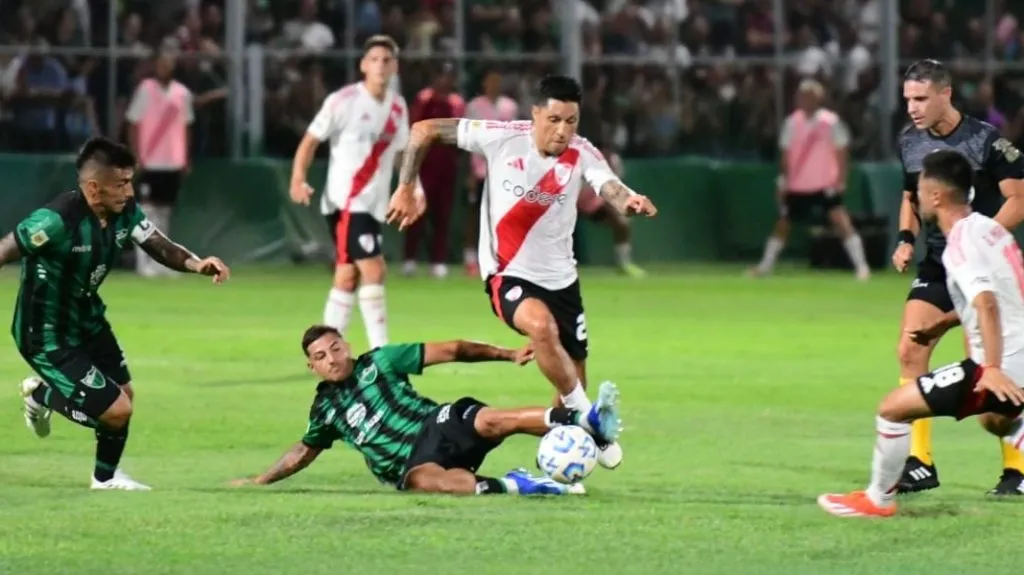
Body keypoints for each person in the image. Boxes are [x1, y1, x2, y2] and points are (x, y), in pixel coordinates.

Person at [385, 75, 658, 471]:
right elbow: (423, 129)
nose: (562, 130)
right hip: (508, 274)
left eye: (571, 121)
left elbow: (609, 186)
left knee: (570, 378)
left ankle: (564, 468)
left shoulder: (582, 152)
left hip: (563, 282)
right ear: (535, 114)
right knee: (541, 328)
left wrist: (629, 200)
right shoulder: (500, 137)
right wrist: (406, 187)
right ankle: (590, 419)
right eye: (554, 120)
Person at [0, 137, 230, 490]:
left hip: (88, 319)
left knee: (124, 396)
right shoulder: (57, 219)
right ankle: (41, 396)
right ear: (94, 187)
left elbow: (158, 245)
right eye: (121, 183)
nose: (129, 191)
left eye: (130, 181)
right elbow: (4, 250)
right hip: (46, 333)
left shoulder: (125, 211)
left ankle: (104, 478)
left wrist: (196, 264)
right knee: (116, 410)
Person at [818, 149, 1024, 518]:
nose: (916, 198)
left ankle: (878, 500)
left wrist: (991, 368)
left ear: (936, 196)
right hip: (1019, 354)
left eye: (920, 190)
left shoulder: (959, 244)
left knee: (892, 410)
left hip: (1001, 363)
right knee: (997, 420)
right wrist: (943, 323)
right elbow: (1004, 295)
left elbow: (988, 304)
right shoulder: (990, 230)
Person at [230, 325, 622, 495]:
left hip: (436, 424)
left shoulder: (381, 361)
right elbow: (303, 450)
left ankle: (583, 420)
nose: (331, 358)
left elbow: (453, 349)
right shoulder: (325, 410)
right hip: (412, 464)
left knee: (492, 420)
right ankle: (522, 485)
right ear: (311, 366)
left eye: (335, 348)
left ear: (346, 346)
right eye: (320, 356)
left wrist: (506, 354)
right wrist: (261, 480)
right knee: (434, 484)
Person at [890, 59, 1024, 496]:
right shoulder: (910, 142)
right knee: (911, 347)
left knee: (987, 369)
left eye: (921, 98)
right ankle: (920, 462)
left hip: (978, 267)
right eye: (908, 99)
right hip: (938, 263)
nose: (912, 107)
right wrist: (905, 238)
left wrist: (982, 240)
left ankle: (1017, 469)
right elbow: (910, 197)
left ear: (946, 94)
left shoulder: (985, 140)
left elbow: (1019, 197)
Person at [288, 35, 424, 350]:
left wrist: (415, 188)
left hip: (373, 204)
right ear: (363, 65)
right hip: (347, 202)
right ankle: (381, 351)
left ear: (395, 66)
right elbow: (310, 140)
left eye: (386, 60)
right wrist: (298, 178)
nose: (380, 66)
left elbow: (402, 154)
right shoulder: (343, 101)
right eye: (374, 60)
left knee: (347, 276)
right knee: (374, 270)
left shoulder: (398, 107)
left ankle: (324, 350)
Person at [749, 79, 870, 280]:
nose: (804, 100)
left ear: (818, 98)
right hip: (798, 185)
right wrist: (783, 180)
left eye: (809, 96)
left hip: (824, 184)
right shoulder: (791, 123)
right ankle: (765, 266)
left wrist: (840, 180)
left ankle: (862, 267)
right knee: (784, 223)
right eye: (802, 96)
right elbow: (786, 155)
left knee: (841, 221)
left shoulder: (830, 122)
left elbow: (841, 152)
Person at [125, 48, 194, 278]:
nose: (165, 66)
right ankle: (143, 263)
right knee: (147, 212)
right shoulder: (145, 90)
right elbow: (133, 123)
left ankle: (162, 261)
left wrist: (185, 158)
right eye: (162, 62)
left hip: (172, 161)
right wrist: (136, 156)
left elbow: (187, 126)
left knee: (164, 212)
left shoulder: (182, 93)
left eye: (169, 62)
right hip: (150, 161)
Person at [402, 62, 465, 279]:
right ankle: (410, 259)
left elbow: (459, 132)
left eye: (448, 76)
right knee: (416, 212)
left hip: (446, 165)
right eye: (441, 75)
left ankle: (438, 261)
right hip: (424, 164)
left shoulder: (456, 102)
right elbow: (415, 128)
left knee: (442, 215)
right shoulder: (424, 98)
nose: (444, 80)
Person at [462, 67, 519, 277]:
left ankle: (500, 257)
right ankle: (470, 258)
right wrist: (469, 171)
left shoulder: (510, 107)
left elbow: (515, 139)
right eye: (491, 80)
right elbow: (467, 139)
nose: (494, 84)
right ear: (484, 83)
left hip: (504, 171)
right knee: (475, 214)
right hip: (480, 170)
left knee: (503, 215)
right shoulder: (474, 107)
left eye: (497, 80)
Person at [576, 141, 646, 277]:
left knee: (622, 223)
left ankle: (624, 263)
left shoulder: (614, 160)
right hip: (570, 200)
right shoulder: (579, 157)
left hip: (596, 202)